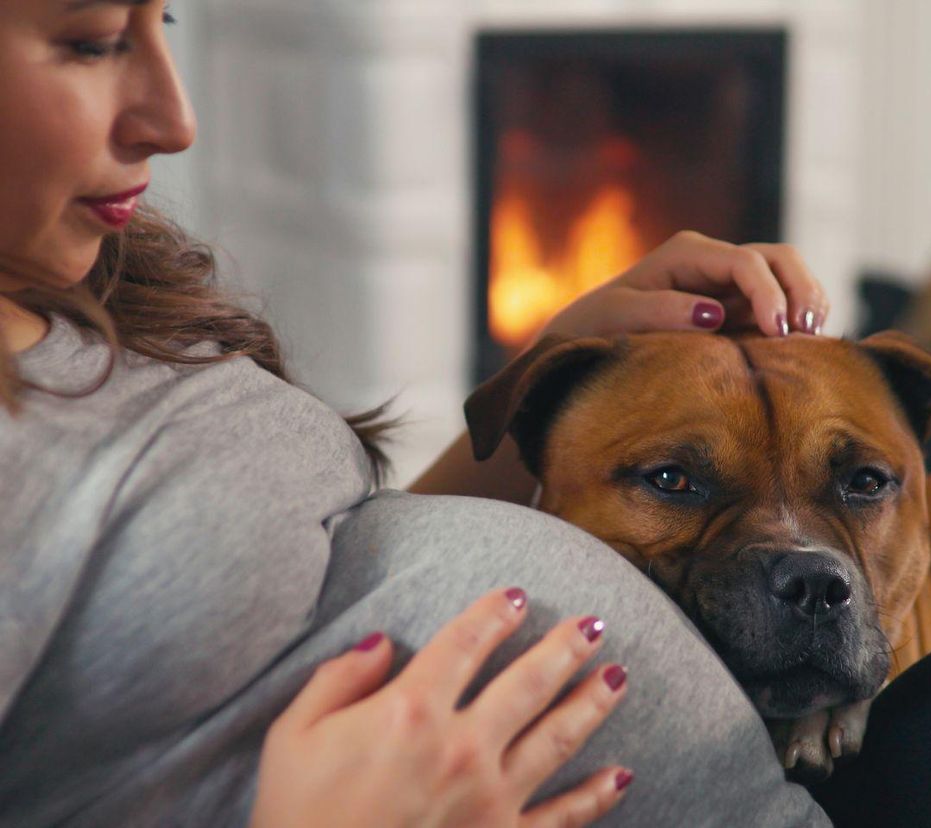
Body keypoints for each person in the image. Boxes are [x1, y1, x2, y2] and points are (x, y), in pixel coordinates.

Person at [0, 1, 872, 825]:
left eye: (165, 22)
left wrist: (554, 373)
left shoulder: (87, 285)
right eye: (94, 40)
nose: (174, 120)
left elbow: (336, 566)